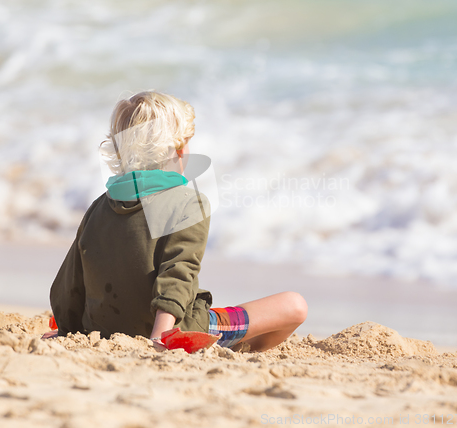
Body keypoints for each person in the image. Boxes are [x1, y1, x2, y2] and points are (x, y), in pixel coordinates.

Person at [48, 90, 307, 352]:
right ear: (177, 151)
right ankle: (237, 350)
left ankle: (230, 347)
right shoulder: (187, 202)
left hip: (102, 332)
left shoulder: (98, 208)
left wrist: (66, 331)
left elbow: (68, 284)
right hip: (171, 330)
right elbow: (178, 273)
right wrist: (160, 337)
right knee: (294, 305)